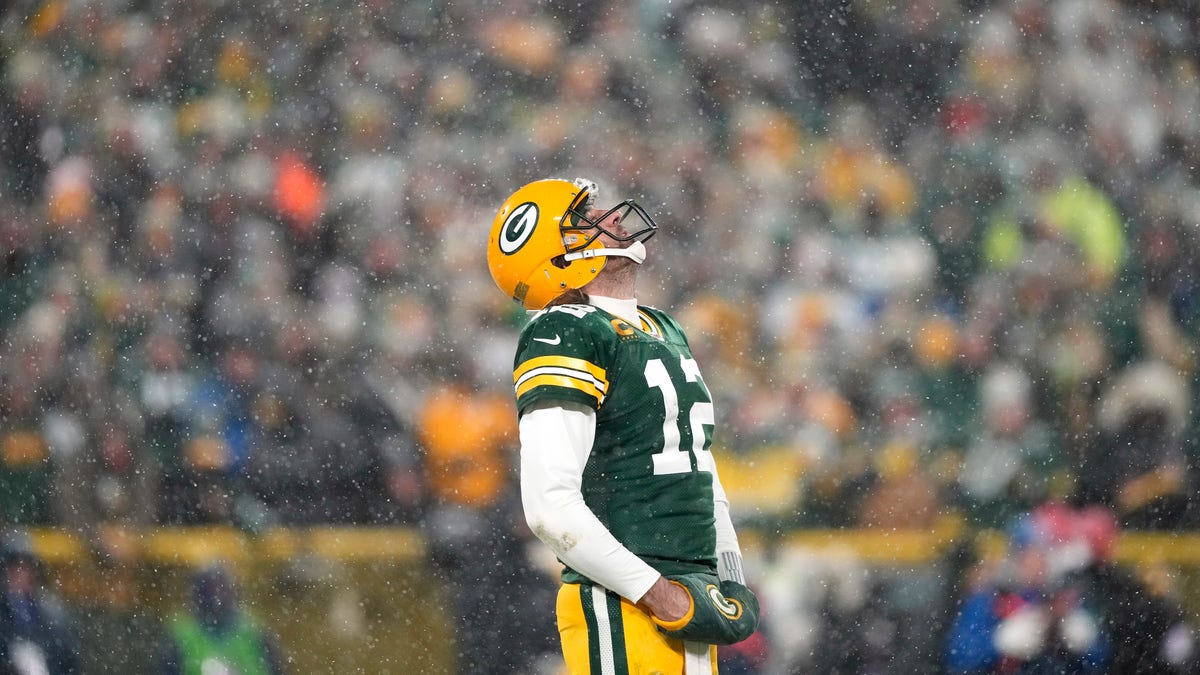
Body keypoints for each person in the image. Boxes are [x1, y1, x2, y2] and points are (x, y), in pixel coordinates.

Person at [486, 177, 760, 674]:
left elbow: (701, 469)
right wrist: (659, 595)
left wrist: (729, 578)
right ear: (554, 254)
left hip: (688, 597)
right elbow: (549, 505)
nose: (612, 219)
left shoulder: (662, 327)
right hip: (623, 601)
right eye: (585, 220)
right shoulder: (565, 329)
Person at [159, 564, 285, 675]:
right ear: (198, 594)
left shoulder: (255, 632)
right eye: (209, 590)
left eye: (222, 589)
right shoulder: (181, 634)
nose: (216, 596)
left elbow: (277, 668)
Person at [0, 530, 82, 674]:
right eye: (14, 568)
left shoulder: (53, 612)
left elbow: (69, 658)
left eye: (25, 568)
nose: (20, 574)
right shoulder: (5, 611)